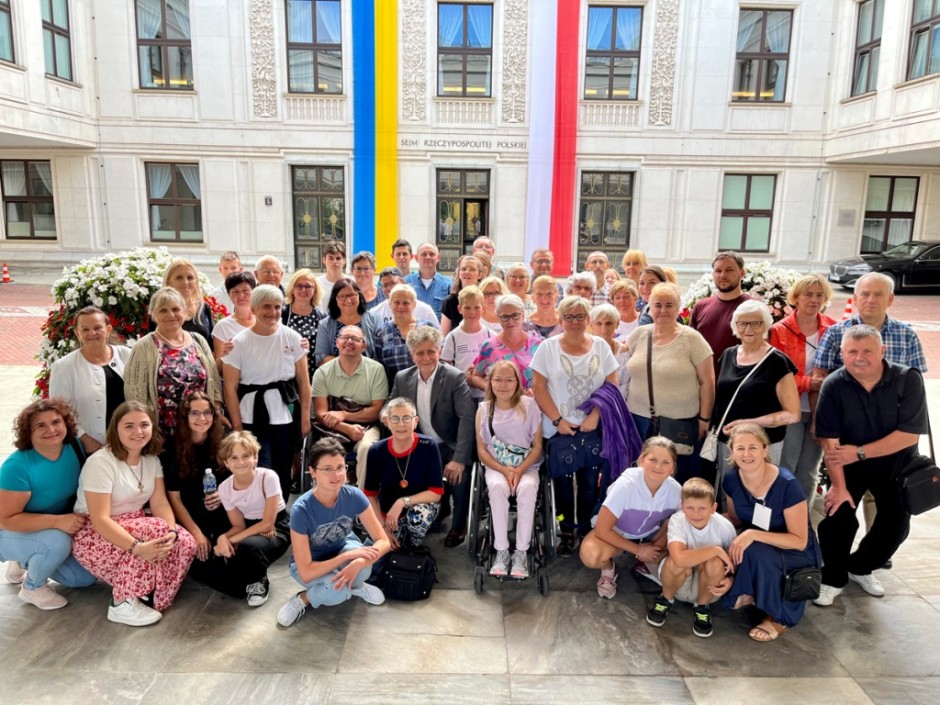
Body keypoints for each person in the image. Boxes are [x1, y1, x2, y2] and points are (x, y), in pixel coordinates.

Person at [813, 326, 927, 606]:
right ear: (842, 353)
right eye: (852, 351)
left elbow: (908, 435)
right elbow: (829, 441)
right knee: (838, 517)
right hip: (847, 465)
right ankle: (833, 578)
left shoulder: (907, 379)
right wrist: (838, 487)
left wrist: (860, 452)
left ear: (882, 352)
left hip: (895, 464)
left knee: (896, 525)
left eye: (867, 351)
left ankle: (860, 566)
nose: (859, 357)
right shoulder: (834, 384)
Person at [72, 401, 197, 626]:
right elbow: (100, 519)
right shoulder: (100, 462)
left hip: (136, 525)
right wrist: (137, 548)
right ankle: (122, 603)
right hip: (95, 535)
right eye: (129, 426)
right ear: (115, 429)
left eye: (144, 425)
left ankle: (152, 597)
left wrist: (170, 531)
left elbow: (159, 501)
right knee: (154, 531)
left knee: (185, 541)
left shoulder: (151, 460)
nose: (138, 432)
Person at [531, 296, 619, 555]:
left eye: (580, 316)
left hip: (593, 427)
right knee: (562, 484)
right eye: (568, 317)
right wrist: (557, 420)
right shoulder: (548, 348)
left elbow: (611, 385)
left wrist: (595, 415)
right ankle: (566, 528)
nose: (575, 321)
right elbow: (538, 387)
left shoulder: (601, 347)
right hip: (558, 429)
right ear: (560, 320)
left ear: (588, 320)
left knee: (591, 483)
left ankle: (586, 528)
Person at [277, 438, 390, 627]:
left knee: (363, 569)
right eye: (327, 469)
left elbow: (383, 541)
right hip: (310, 565)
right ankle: (303, 599)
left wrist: (359, 561)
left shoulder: (354, 495)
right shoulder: (301, 509)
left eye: (340, 467)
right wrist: (349, 558)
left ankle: (354, 585)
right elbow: (305, 572)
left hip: (341, 548)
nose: (336, 475)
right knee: (335, 591)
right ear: (312, 472)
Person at [722, 424, 820, 642]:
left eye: (752, 448)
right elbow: (735, 518)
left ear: (765, 450)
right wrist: (700, 521)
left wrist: (752, 535)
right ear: (732, 452)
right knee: (742, 546)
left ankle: (779, 617)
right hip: (756, 542)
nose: (746, 454)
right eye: (740, 448)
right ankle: (751, 592)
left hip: (792, 549)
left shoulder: (787, 484)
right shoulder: (731, 479)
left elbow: (799, 540)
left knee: (753, 548)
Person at [0, 399, 97, 610]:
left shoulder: (74, 447)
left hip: (49, 526)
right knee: (57, 542)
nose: (51, 430)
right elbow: (5, 520)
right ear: (28, 432)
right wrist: (58, 521)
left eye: (56, 422)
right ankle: (33, 587)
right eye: (40, 425)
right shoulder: (17, 467)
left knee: (83, 578)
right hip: (8, 531)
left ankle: (25, 559)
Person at [223, 285, 312, 500]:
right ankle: (259, 515)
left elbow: (303, 380)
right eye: (266, 307)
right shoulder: (238, 343)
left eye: (277, 307)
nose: (272, 312)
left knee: (282, 466)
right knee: (259, 466)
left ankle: (279, 518)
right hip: (251, 414)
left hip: (284, 412)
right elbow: (230, 388)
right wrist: (237, 426)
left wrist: (305, 418)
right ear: (253, 309)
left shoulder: (292, 337)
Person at [391, 326, 476, 548]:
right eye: (420, 353)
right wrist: (386, 417)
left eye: (431, 351)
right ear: (412, 355)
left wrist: (458, 459)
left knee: (460, 478)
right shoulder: (403, 378)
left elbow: (467, 419)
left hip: (449, 443)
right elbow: (389, 407)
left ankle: (458, 526)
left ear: (439, 351)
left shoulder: (454, 377)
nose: (426, 357)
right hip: (420, 446)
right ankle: (430, 515)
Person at [627, 283, 715, 479]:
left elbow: (707, 382)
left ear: (678, 307)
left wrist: (704, 419)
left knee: (678, 478)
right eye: (658, 305)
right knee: (641, 477)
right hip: (638, 421)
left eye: (669, 305)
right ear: (649, 307)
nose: (663, 310)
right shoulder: (639, 335)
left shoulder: (692, 339)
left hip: (679, 424)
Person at [162, 391, 244, 597]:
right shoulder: (172, 449)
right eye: (195, 413)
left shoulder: (222, 439)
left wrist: (224, 495)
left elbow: (239, 478)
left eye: (207, 413)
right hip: (191, 518)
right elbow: (174, 499)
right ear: (185, 417)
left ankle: (249, 579)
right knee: (206, 570)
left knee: (239, 554)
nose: (202, 419)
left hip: (224, 513)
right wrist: (196, 534)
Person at [579, 437, 682, 599]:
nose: (658, 466)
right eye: (653, 459)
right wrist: (638, 550)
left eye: (665, 462)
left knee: (679, 519)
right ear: (641, 460)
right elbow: (601, 530)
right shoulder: (625, 485)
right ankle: (609, 569)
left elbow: (688, 518)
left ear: (673, 468)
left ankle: (649, 562)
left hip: (650, 535)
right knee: (590, 555)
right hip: (617, 532)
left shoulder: (675, 490)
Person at [711, 300, 799, 487]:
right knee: (729, 492)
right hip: (729, 443)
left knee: (760, 494)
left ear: (765, 325)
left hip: (762, 445)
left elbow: (792, 414)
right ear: (735, 326)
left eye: (756, 323)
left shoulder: (777, 362)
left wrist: (749, 423)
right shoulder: (728, 355)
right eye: (742, 323)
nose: (748, 328)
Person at [768, 274, 837, 502]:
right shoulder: (779, 331)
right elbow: (776, 375)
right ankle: (784, 518)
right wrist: (809, 383)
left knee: (809, 471)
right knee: (786, 467)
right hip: (791, 408)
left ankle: (803, 526)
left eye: (819, 295)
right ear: (796, 298)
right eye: (808, 294)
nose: (814, 300)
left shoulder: (834, 329)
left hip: (821, 409)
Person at [476, 360, 543, 578]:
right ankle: (501, 550)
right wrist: (505, 471)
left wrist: (520, 470)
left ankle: (521, 553)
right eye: (498, 379)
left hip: (527, 464)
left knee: (528, 489)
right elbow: (482, 451)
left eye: (509, 380)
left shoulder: (530, 405)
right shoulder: (484, 410)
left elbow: (538, 447)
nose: (503, 385)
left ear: (518, 382)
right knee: (495, 487)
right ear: (490, 382)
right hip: (497, 465)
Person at [124, 287, 222, 436]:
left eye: (176, 309)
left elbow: (214, 382)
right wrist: (146, 429)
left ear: (184, 312)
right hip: (163, 433)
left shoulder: (198, 340)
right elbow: (135, 397)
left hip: (199, 431)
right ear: (153, 314)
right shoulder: (143, 347)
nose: (171, 314)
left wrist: (216, 411)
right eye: (163, 310)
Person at [646, 477, 736, 638]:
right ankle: (666, 599)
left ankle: (702, 607)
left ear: (713, 507)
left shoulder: (725, 527)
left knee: (715, 563)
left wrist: (731, 580)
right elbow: (679, 559)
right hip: (678, 584)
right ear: (682, 507)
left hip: (709, 588)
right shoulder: (677, 520)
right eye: (690, 508)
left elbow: (733, 564)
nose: (696, 514)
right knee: (676, 560)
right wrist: (715, 549)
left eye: (702, 508)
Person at [215, 432, 291, 607]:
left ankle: (259, 580)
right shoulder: (224, 488)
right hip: (249, 527)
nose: (241, 462)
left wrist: (229, 539)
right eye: (234, 457)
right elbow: (238, 525)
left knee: (248, 547)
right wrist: (222, 539)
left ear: (256, 457)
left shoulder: (268, 477)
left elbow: (267, 524)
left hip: (277, 526)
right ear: (226, 462)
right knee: (221, 559)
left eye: (246, 455)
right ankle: (243, 579)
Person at [311, 325, 388, 488]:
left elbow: (376, 411)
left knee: (368, 448)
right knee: (326, 451)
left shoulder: (376, 370)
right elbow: (320, 414)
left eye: (356, 339)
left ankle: (363, 497)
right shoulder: (322, 372)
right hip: (331, 427)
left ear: (364, 346)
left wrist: (344, 415)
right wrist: (347, 428)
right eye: (345, 338)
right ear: (337, 342)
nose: (349, 342)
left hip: (367, 426)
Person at [49, 306, 132, 454]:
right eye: (85, 329)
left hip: (130, 443)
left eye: (97, 328)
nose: (92, 333)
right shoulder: (63, 367)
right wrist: (86, 440)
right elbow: (60, 411)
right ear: (77, 333)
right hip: (89, 448)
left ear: (108, 329)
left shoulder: (127, 355)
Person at [365, 398, 444, 549]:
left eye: (406, 418)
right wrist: (382, 528)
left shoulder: (428, 446)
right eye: (395, 418)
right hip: (387, 514)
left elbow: (435, 493)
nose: (401, 424)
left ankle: (414, 548)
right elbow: (370, 494)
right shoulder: (376, 451)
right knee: (385, 546)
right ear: (387, 422)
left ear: (415, 421)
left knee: (417, 518)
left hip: (419, 507)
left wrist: (401, 502)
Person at [690, 252, 751, 377]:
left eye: (729, 270)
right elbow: (690, 348)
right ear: (713, 274)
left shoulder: (753, 308)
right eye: (718, 270)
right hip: (702, 384)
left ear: (742, 273)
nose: (723, 275)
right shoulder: (700, 307)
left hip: (737, 385)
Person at [472, 294, 542, 392]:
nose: (510, 321)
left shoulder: (537, 345)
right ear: (498, 317)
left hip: (531, 404)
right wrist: (494, 389)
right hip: (500, 405)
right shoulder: (489, 347)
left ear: (523, 315)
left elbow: (547, 379)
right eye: (505, 316)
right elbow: (476, 377)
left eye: (515, 315)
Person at [373, 284, 437, 387]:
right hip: (395, 392)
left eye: (406, 303)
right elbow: (378, 367)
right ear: (390, 304)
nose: (401, 307)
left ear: (414, 304)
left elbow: (440, 359)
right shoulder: (381, 333)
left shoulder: (428, 327)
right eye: (397, 302)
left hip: (428, 389)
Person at [442, 286, 494, 401]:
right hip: (462, 394)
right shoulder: (453, 337)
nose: (472, 312)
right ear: (459, 308)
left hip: (486, 395)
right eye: (467, 308)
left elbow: (496, 363)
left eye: (477, 307)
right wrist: (462, 376)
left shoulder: (491, 336)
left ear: (483, 309)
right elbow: (446, 366)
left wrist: (482, 373)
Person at [313, 277, 377, 366]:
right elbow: (321, 358)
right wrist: (349, 366)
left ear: (359, 296)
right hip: (336, 376)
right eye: (342, 296)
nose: (348, 300)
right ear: (335, 299)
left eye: (352, 295)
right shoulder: (325, 325)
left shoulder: (374, 320)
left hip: (368, 375)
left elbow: (379, 354)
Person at [281, 268, 323, 379]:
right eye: (299, 286)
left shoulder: (322, 316)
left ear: (315, 290)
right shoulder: (281, 314)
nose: (303, 290)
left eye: (308, 286)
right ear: (292, 289)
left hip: (314, 375)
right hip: (287, 376)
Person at [211, 271, 256, 367]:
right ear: (229, 295)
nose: (241, 296)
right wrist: (225, 354)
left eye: (245, 291)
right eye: (235, 291)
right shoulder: (222, 326)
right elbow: (218, 370)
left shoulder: (264, 321)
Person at [162, 258, 215, 341]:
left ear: (196, 281)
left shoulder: (204, 308)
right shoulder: (159, 310)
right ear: (169, 282)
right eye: (179, 278)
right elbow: (150, 347)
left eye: (190, 277)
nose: (186, 282)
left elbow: (212, 346)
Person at [371, 267, 440, 329]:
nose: (389, 288)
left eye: (393, 283)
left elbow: (439, 338)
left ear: (403, 282)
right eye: (385, 285)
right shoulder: (375, 313)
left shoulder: (425, 310)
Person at [590, 303, 631, 403]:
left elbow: (625, 385)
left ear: (617, 324)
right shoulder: (584, 349)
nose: (604, 329)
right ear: (591, 324)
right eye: (599, 323)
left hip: (616, 405)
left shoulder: (623, 351)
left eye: (608, 323)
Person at [405, 243, 452, 320]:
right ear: (416, 258)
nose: (428, 257)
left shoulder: (448, 285)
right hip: (412, 331)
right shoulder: (406, 283)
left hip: (438, 331)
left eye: (432, 254)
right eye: (424, 254)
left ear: (438, 258)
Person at [440, 254, 484, 335]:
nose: (467, 272)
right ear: (459, 273)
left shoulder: (485, 299)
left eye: (472, 269)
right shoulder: (449, 301)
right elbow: (444, 335)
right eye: (463, 269)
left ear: (480, 275)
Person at [525, 275, 563, 339]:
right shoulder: (526, 325)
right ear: (533, 297)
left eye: (549, 294)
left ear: (556, 295)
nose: (544, 298)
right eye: (539, 294)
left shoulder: (566, 321)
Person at [208, 251, 242, 315]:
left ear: (240, 269)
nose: (229, 272)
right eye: (225, 268)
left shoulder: (248, 293)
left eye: (233, 268)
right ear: (220, 270)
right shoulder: (214, 296)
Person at [317, 241, 347, 307]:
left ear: (344, 260)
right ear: (324, 260)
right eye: (331, 258)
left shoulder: (351, 282)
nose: (335, 262)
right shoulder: (316, 283)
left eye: (338, 258)